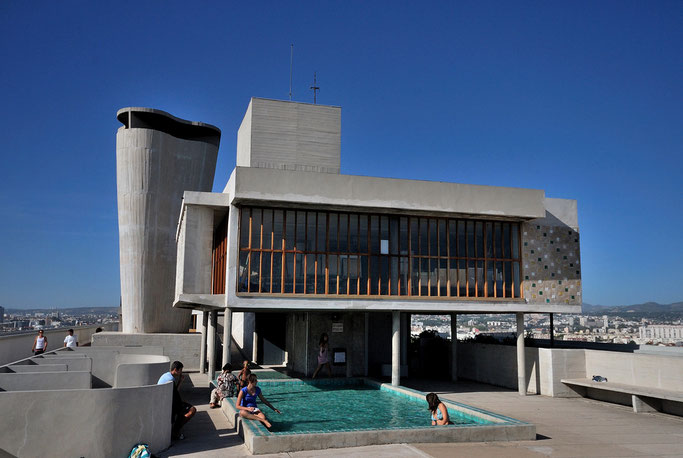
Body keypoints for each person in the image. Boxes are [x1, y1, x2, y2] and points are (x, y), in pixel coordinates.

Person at [158, 361, 196, 440]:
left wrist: (180, 381)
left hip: (165, 401)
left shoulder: (166, 375)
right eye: (180, 370)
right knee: (192, 410)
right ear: (175, 370)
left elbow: (175, 391)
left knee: (182, 409)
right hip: (168, 403)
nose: (181, 372)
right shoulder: (171, 379)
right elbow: (176, 397)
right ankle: (175, 431)